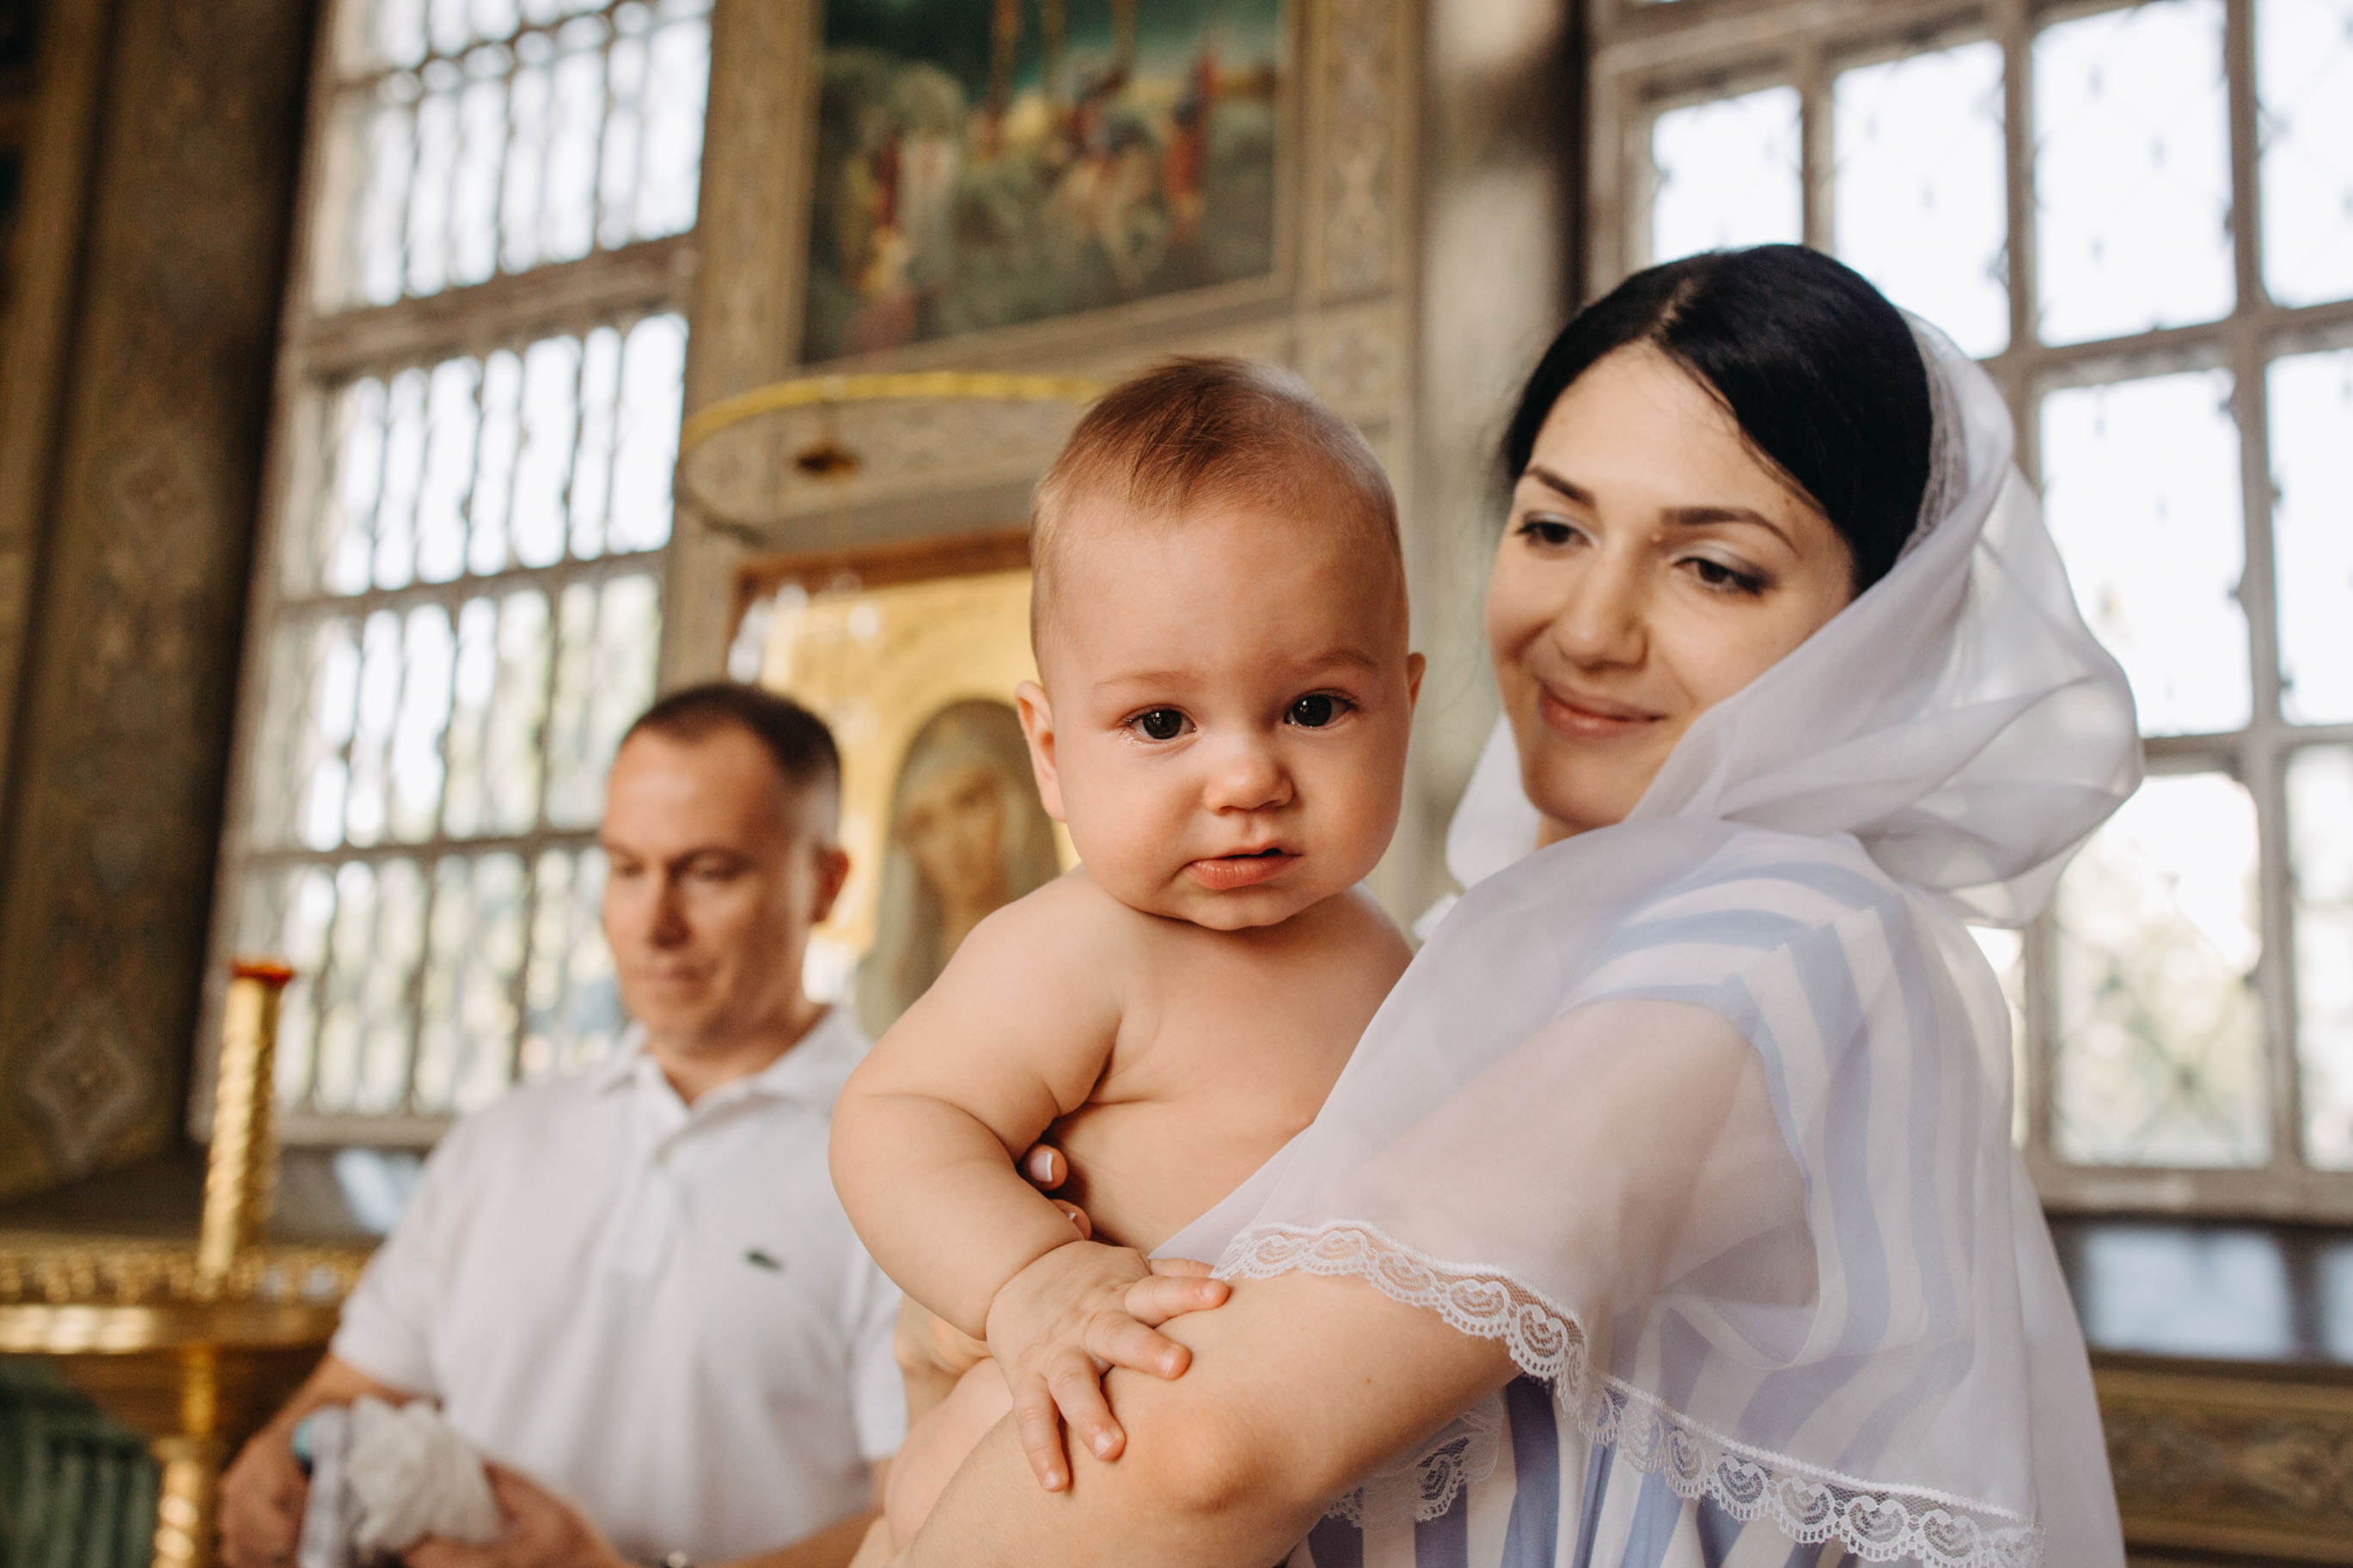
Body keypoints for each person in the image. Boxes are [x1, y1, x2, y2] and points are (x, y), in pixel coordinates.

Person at [864, 246, 2139, 1566]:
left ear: (1879, 625)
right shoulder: (1477, 952)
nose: (1590, 627)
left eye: (1714, 568)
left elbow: (1200, 1455)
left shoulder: (1781, 937)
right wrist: (993, 1297)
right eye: (1552, 527)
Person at [828, 357, 1426, 1547]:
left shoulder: (1392, 959)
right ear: (1049, 752)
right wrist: (1025, 1282)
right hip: (1060, 1432)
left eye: (1313, 707)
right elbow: (892, 1118)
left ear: (1401, 706)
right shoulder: (1079, 947)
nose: (1247, 775)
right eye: (1162, 722)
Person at [219, 684, 904, 1568]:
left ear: (826, 882)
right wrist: (282, 1458)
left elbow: (927, 1519)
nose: (653, 924)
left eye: (707, 872)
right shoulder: (499, 1142)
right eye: (626, 868)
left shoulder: (906, 1157)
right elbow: (347, 1397)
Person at [853, 698, 1061, 1038]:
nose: (953, 845)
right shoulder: (882, 988)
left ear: (1014, 806)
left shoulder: (1070, 951)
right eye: (926, 824)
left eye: (969, 802)